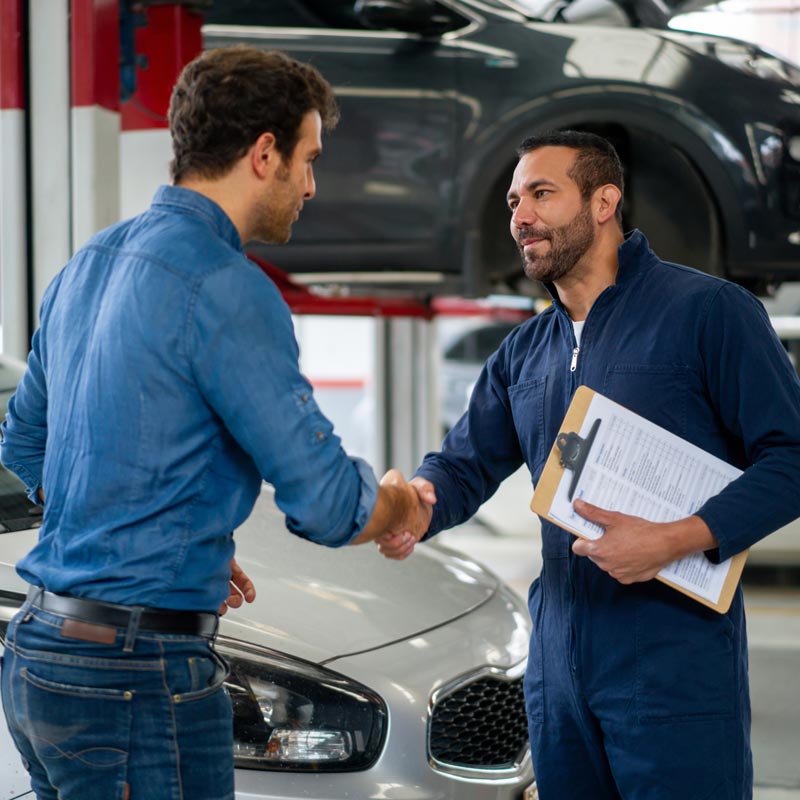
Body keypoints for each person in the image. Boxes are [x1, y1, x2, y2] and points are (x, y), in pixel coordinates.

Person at [0, 46, 433, 800]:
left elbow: (23, 444)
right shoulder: (227, 287)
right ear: (263, 154)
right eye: (307, 159)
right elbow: (329, 505)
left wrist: (152, 535)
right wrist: (401, 501)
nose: (311, 184)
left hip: (40, 659)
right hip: (135, 676)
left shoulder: (87, 265)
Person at [377, 130, 800, 799]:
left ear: (605, 202)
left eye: (542, 193)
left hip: (674, 663)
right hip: (560, 674)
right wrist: (411, 503)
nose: (520, 215)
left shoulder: (708, 313)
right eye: (515, 200)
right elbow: (460, 468)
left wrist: (675, 539)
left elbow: (792, 457)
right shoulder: (525, 352)